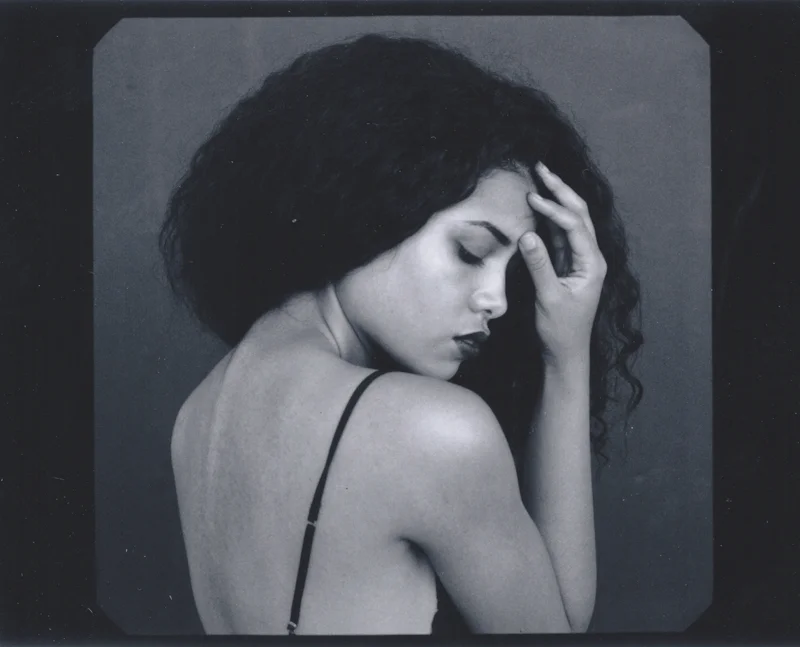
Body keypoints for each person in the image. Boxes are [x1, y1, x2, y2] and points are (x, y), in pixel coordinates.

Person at [160, 33, 643, 635]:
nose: (496, 300)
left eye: (510, 273)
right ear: (370, 204)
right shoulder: (429, 429)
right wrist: (564, 357)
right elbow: (560, 626)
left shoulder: (197, 416)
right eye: (471, 251)